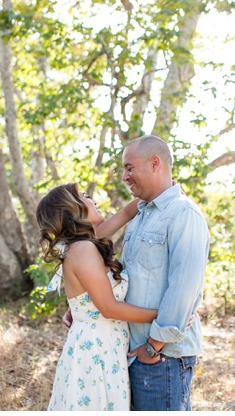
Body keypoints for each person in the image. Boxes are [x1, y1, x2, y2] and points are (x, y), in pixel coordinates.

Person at [36, 183, 157, 411]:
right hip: (96, 351)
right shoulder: (82, 249)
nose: (94, 200)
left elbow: (125, 213)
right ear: (74, 210)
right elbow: (109, 308)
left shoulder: (85, 242)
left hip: (103, 343)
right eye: (86, 196)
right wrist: (164, 315)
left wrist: (164, 191)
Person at [120, 135, 209, 411]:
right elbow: (126, 278)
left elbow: (185, 287)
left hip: (163, 357)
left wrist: (153, 346)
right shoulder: (140, 217)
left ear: (155, 163)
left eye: (129, 168)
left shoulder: (184, 214)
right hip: (135, 354)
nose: (125, 177)